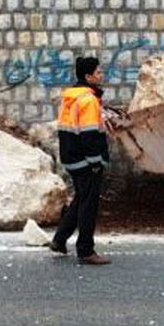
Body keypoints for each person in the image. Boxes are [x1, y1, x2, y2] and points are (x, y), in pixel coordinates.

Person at [51, 56, 111, 265]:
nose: (102, 75)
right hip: (86, 161)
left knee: (81, 199)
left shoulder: (71, 98)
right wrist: (96, 162)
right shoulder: (88, 100)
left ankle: (59, 240)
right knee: (89, 205)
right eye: (98, 72)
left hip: (72, 158)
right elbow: (89, 135)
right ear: (88, 76)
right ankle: (85, 250)